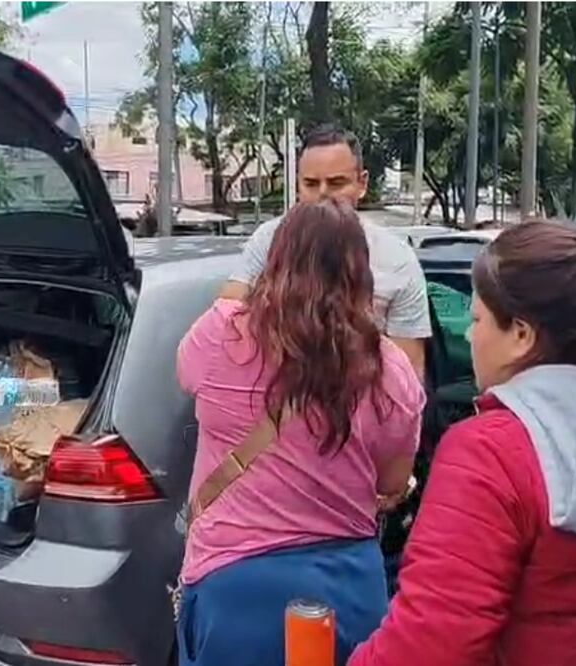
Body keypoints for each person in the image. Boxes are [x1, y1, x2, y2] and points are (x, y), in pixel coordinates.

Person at [350, 221, 576, 666]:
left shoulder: (492, 452)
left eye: (478, 318)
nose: (468, 335)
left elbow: (429, 644)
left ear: (521, 335)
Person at [176, 200, 426, 666]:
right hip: (347, 589)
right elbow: (392, 485)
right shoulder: (389, 367)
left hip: (234, 587)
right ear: (360, 270)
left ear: (275, 259)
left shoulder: (220, 334)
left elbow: (185, 375)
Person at [219, 125, 430, 379]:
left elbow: (409, 376)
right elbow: (225, 325)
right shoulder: (267, 240)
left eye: (336, 183)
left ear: (362, 184)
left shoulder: (398, 261)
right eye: (310, 183)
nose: (322, 194)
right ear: (298, 186)